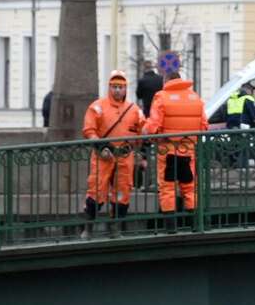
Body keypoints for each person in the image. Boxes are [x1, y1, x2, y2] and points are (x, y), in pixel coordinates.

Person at [82, 70, 145, 234]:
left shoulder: (134, 110)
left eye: (121, 87)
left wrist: (141, 153)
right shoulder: (97, 107)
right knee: (96, 190)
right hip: (103, 156)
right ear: (109, 88)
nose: (117, 90)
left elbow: (143, 132)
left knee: (123, 192)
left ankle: (115, 227)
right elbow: (89, 130)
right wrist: (101, 148)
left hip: (125, 156)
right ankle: (88, 228)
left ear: (126, 89)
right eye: (114, 87)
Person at [142, 68, 206, 220]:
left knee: (167, 187)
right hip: (188, 150)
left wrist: (148, 135)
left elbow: (153, 126)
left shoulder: (161, 97)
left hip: (167, 150)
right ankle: (194, 223)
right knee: (189, 186)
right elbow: (204, 125)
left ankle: (170, 225)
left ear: (166, 81)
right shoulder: (195, 97)